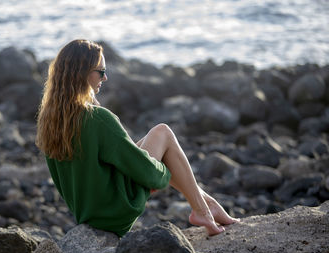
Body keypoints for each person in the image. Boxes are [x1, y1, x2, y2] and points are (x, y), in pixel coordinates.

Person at [36, 39, 239, 237]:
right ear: (81, 73)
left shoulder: (50, 122)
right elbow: (149, 174)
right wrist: (165, 169)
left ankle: (206, 205)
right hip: (115, 211)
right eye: (101, 72)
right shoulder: (97, 119)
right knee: (163, 133)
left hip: (89, 215)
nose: (105, 78)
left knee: (147, 146)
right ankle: (202, 210)